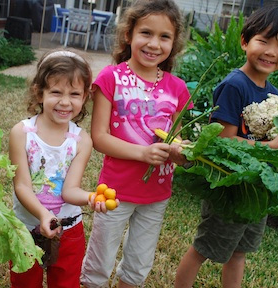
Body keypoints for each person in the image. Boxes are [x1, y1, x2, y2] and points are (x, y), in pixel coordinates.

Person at [174, 6, 278, 288]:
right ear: (244, 41)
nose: (271, 51)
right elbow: (222, 141)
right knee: (204, 248)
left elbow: (274, 142)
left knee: (239, 253)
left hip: (256, 188)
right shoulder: (234, 85)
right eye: (263, 41)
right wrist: (274, 145)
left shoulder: (274, 95)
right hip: (230, 185)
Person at [80, 0, 193, 287]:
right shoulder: (111, 78)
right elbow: (100, 138)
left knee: (139, 264)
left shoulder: (177, 88)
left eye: (164, 36)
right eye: (146, 33)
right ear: (128, 34)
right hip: (115, 190)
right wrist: (143, 153)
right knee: (99, 263)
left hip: (157, 192)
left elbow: (176, 137)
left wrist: (182, 152)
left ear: (174, 43)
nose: (154, 44)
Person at [8, 49, 106, 288]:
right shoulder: (21, 133)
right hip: (26, 226)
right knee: (24, 283)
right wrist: (42, 215)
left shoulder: (81, 140)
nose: (65, 101)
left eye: (74, 94)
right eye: (56, 92)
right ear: (39, 92)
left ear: (84, 98)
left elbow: (69, 190)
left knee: (65, 284)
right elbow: (21, 184)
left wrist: (91, 197)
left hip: (68, 229)